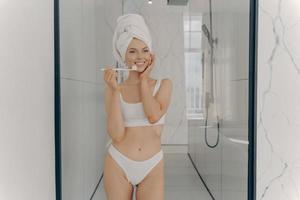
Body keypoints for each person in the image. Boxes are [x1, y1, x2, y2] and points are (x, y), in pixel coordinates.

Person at [102, 14, 172, 200]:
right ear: (123, 56)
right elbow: (116, 134)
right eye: (132, 51)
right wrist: (115, 91)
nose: (140, 56)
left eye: (144, 50)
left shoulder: (163, 85)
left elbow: (153, 116)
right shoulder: (114, 89)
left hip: (152, 165)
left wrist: (143, 81)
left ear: (151, 54)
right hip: (118, 163)